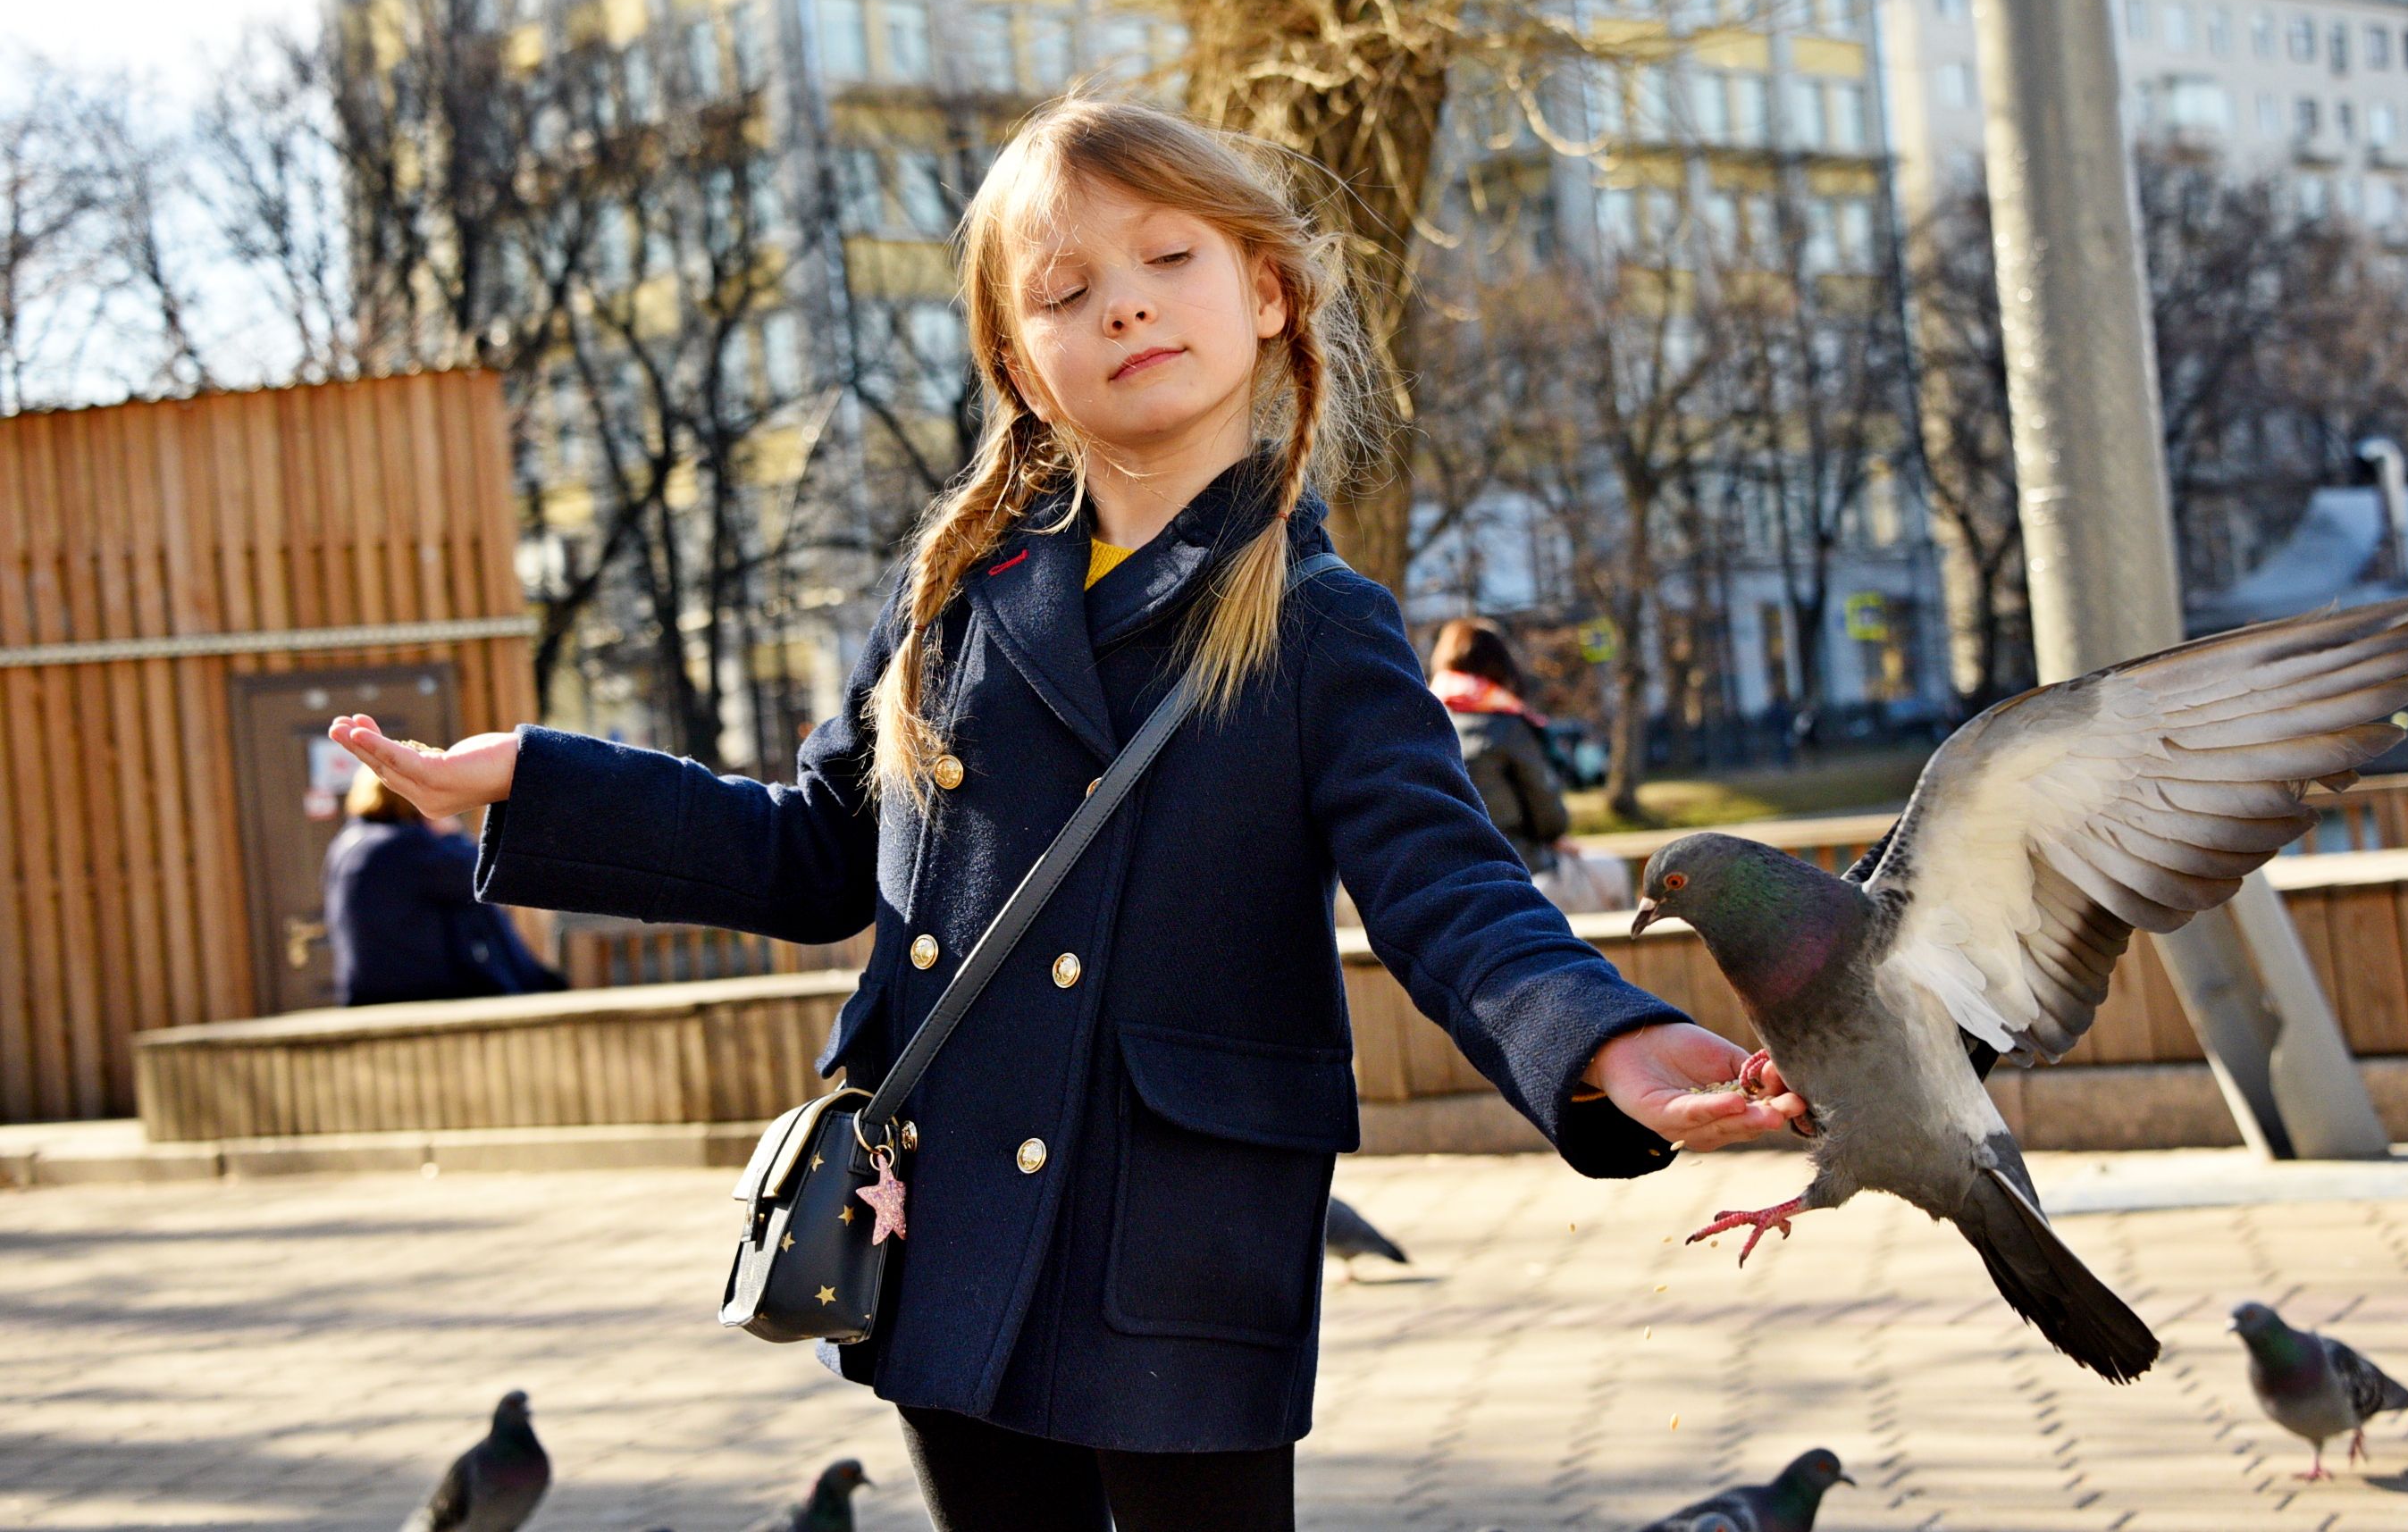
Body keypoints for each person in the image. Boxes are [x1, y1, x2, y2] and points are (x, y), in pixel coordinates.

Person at [328, 96, 1802, 1532]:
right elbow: (809, 851)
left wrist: (1600, 1039)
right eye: (1066, 287)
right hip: (944, 1208)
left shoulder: (1317, 622)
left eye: (1170, 259)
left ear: (1269, 290)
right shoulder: (950, 605)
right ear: (1017, 360)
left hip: (1178, 1234)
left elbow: (1443, 885)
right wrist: (535, 776)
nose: (1124, 307)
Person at [321, 766, 566, 1007]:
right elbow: (486, 873)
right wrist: (450, 831)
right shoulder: (405, 846)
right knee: (477, 904)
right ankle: (534, 984)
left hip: (368, 992)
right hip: (422, 992)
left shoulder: (346, 844)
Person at [1427, 617, 1571, 875]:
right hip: (1514, 866)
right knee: (1609, 871)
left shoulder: (1421, 718)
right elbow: (1550, 820)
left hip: (1440, 872)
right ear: (1500, 662)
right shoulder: (1506, 723)